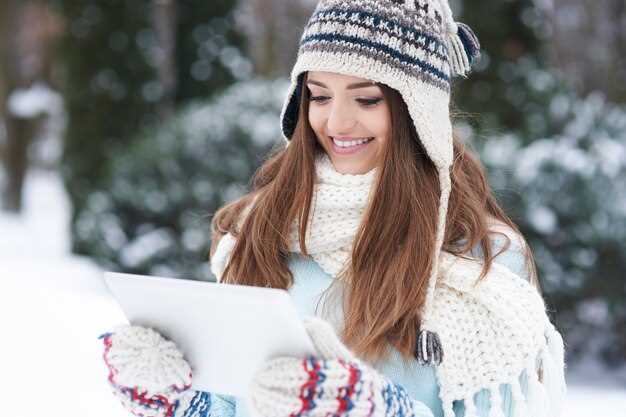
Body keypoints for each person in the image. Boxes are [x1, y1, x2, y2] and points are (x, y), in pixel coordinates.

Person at [99, 1, 567, 417]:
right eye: (319, 96)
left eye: (366, 99)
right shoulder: (260, 231)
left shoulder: (481, 258)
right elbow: (238, 400)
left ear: (417, 113)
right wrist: (180, 399)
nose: (337, 121)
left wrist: (378, 410)